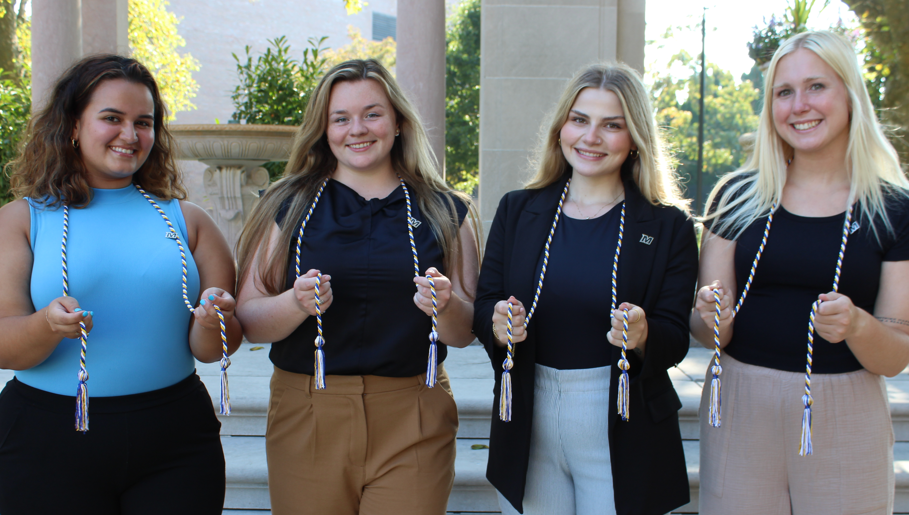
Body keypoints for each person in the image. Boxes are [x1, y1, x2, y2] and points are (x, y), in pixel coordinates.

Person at [234, 59, 480, 515]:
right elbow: (248, 320)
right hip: (307, 412)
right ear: (322, 129)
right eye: (340, 118)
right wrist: (294, 303)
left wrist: (444, 306)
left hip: (414, 414)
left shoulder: (447, 210)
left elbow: (464, 332)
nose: (357, 129)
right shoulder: (288, 206)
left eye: (372, 114)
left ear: (398, 122)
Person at [0, 55, 242, 515]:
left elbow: (214, 349)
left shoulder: (189, 223)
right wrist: (48, 326)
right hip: (45, 437)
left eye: (144, 122)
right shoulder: (20, 222)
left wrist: (216, 319)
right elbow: (4, 346)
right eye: (112, 118)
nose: (130, 136)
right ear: (73, 125)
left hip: (175, 439)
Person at [692, 31, 909, 515]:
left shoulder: (893, 209)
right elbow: (708, 329)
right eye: (783, 92)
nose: (799, 105)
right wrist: (711, 315)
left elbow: (896, 353)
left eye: (816, 87)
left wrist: (857, 325)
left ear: (850, 94)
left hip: (847, 408)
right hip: (739, 403)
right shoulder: (736, 197)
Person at [473, 62, 697, 515]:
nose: (591, 137)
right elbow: (483, 306)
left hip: (620, 415)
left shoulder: (668, 225)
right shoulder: (519, 210)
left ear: (634, 138)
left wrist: (643, 334)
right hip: (528, 413)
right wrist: (497, 324)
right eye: (580, 120)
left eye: (611, 125)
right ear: (561, 128)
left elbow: (675, 335)